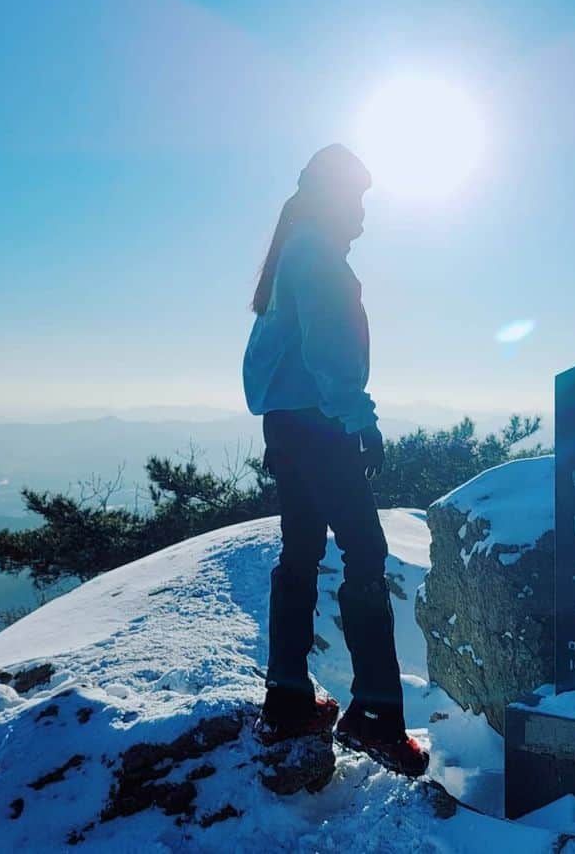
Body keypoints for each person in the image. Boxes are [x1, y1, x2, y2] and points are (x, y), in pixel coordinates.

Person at [243, 143, 428, 778]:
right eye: (357, 198)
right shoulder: (317, 254)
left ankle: (288, 696)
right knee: (365, 554)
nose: (362, 213)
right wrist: (361, 421)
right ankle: (374, 715)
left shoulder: (294, 250)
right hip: (319, 427)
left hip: (286, 426)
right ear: (331, 196)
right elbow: (330, 355)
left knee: (300, 555)